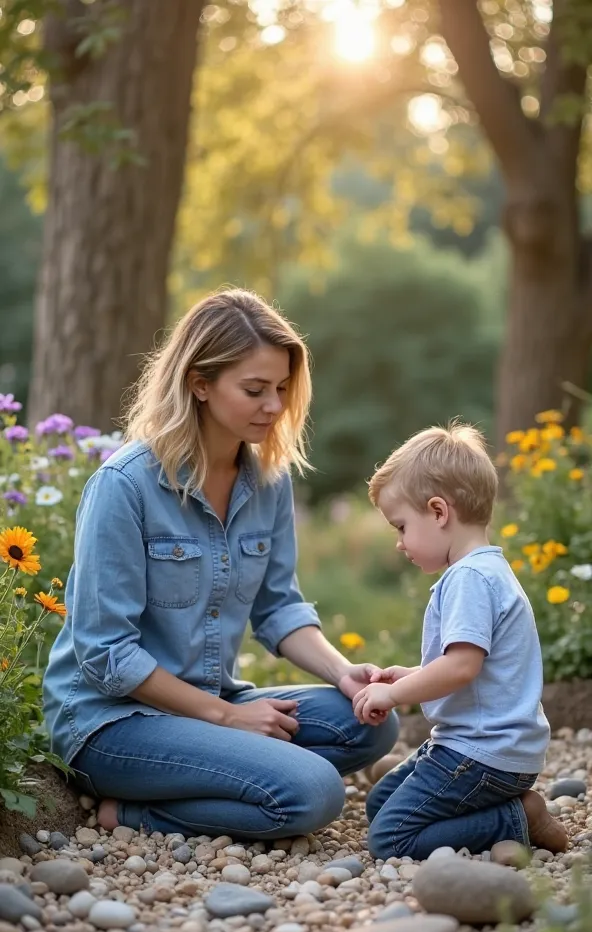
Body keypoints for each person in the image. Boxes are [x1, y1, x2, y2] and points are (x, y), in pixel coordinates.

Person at [43, 289, 397, 840]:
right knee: (312, 792)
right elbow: (105, 656)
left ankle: (207, 774)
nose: (275, 407)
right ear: (199, 383)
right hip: (111, 721)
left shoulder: (269, 483)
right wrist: (228, 718)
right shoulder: (123, 487)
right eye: (255, 390)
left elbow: (279, 606)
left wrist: (343, 674)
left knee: (371, 723)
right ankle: (132, 812)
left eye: (282, 389)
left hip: (211, 698)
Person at [352, 422, 568, 860]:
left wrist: (394, 694)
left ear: (438, 512)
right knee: (379, 804)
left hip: (480, 755)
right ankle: (504, 812)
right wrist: (412, 675)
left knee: (390, 840)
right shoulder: (487, 570)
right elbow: (472, 667)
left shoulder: (468, 578)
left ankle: (517, 819)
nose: (399, 543)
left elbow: (461, 668)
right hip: (492, 751)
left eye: (401, 526)